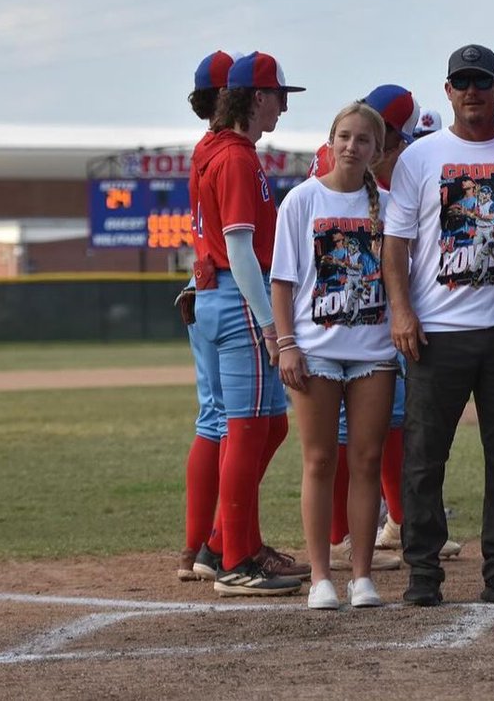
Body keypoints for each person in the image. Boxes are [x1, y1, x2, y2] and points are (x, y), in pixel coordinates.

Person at [384, 43, 494, 607]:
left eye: (481, 81)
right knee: (424, 457)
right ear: (447, 91)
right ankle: (423, 572)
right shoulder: (421, 159)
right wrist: (401, 311)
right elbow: (395, 244)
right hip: (437, 331)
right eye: (461, 82)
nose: (471, 91)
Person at [191, 51, 309, 596]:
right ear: (257, 97)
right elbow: (239, 245)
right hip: (239, 297)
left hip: (217, 298)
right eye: (280, 96)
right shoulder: (235, 157)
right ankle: (235, 557)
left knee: (263, 424)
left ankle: (228, 541)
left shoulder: (215, 147)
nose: (283, 108)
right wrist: (268, 322)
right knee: (247, 427)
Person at [271, 102, 398, 610]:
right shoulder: (301, 201)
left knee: (367, 460)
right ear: (329, 141)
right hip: (316, 354)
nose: (351, 146)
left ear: (376, 150)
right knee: (320, 460)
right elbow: (282, 282)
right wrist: (286, 345)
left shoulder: (388, 206)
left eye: (363, 140)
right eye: (343, 136)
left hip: (373, 351)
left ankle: (362, 576)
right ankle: (321, 575)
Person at [177, 50, 233, 582]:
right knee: (250, 423)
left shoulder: (202, 150)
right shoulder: (229, 153)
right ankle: (216, 543)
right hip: (226, 287)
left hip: (202, 284)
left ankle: (198, 547)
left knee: (212, 418)